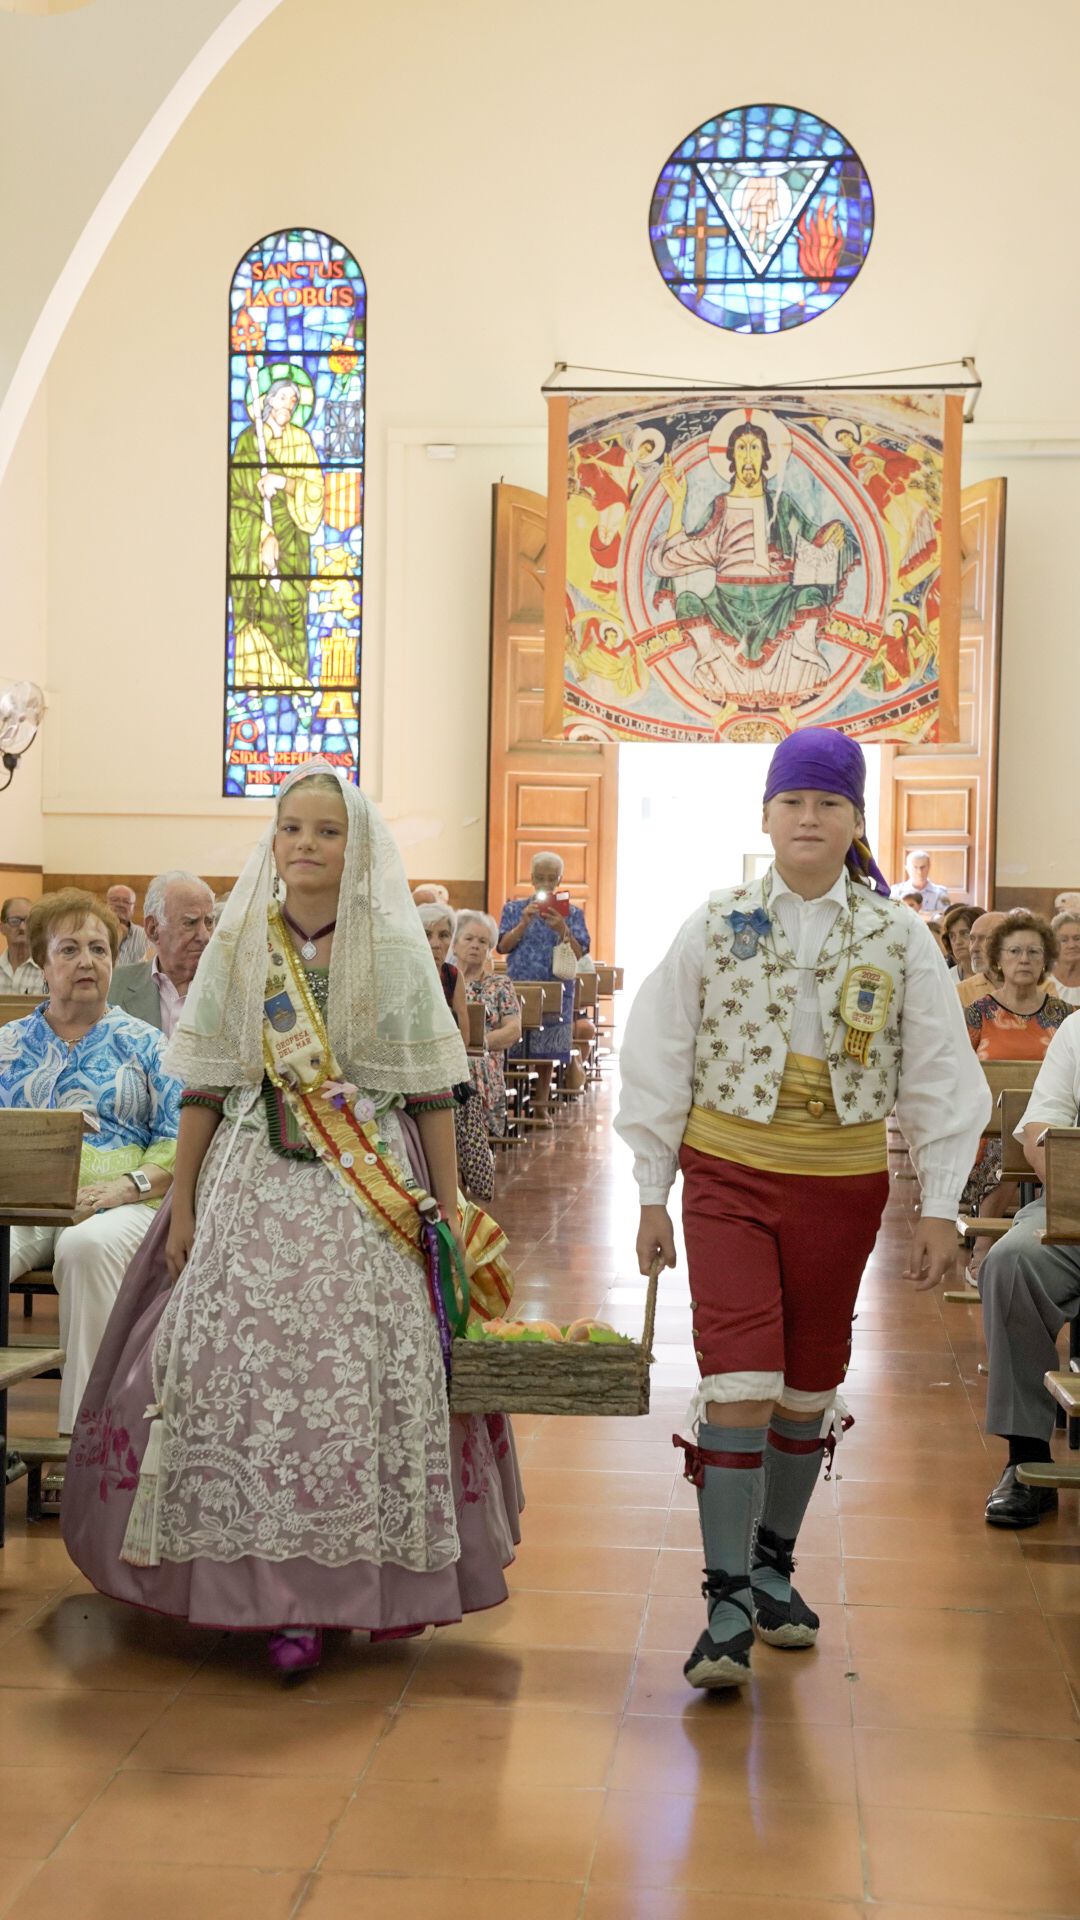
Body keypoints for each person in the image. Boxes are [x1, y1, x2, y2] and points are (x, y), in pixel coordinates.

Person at [61, 766, 522, 1675]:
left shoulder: (391, 951)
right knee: (225, 1360)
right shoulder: (243, 947)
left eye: (327, 831)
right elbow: (206, 1084)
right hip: (249, 1182)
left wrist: (451, 1212)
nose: (306, 846)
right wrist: (183, 1198)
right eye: (292, 829)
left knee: (362, 1370)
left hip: (371, 1190)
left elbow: (429, 1087)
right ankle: (253, 1584)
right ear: (272, 842)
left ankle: (344, 1586)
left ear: (358, 849)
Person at [616, 728, 989, 1694]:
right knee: (739, 1370)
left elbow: (943, 1075)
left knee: (809, 1379)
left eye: (830, 804)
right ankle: (727, 1599)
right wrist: (653, 1191)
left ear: (857, 819)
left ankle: (776, 1562)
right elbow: (658, 1054)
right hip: (730, 1173)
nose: (810, 819)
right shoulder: (717, 923)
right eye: (794, 802)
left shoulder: (899, 938)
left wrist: (942, 1209)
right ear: (768, 816)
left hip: (842, 1182)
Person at [0, 889, 179, 1432]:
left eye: (99, 950)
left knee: (85, 1247)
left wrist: (126, 1186)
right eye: (70, 950)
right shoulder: (7, 1044)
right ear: (42, 964)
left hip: (120, 1201)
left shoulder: (148, 1045)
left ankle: (86, 1442)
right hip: (23, 1200)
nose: (87, 962)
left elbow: (178, 1140)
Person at [979, 1016, 1080, 1527]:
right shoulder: (1079, 1031)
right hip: (1073, 1210)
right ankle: (1027, 1459)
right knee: (1013, 1261)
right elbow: (1041, 1129)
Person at [961, 913, 1070, 1230]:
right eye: (1015, 951)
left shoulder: (1062, 1014)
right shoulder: (980, 1012)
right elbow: (961, 1078)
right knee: (1006, 1140)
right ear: (998, 959)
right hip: (988, 1127)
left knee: (1057, 1140)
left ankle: (1061, 1228)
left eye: (1034, 952)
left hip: (1049, 1121)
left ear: (1045, 959)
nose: (1024, 959)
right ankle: (982, 1245)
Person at [498, 853, 591, 1122]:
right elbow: (503, 946)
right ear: (531, 878)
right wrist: (524, 923)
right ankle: (512, 1102)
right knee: (513, 1042)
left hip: (555, 984)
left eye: (552, 878)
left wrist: (563, 928)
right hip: (520, 982)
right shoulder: (514, 910)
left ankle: (540, 1103)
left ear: (560, 880)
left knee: (546, 1048)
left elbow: (578, 953)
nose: (546, 883)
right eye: (540, 877)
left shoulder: (572, 914)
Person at [108, 871, 215, 1037]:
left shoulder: (231, 990)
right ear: (152, 929)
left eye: (208, 922)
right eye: (190, 922)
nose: (205, 936)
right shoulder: (113, 986)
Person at [453, 910, 522, 1136]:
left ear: (489, 949)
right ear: (454, 945)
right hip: (447, 1056)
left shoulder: (500, 984)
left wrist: (478, 1043)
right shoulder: (441, 981)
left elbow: (513, 1030)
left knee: (470, 1065)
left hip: (483, 1059)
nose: (475, 945)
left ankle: (471, 1138)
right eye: (469, 939)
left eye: (483, 941)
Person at [418, 902, 470, 1047]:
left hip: (445, 1050)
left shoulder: (453, 975)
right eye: (427, 935)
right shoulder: (405, 973)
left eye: (443, 935)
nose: (435, 944)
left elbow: (463, 1031)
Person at [957, 910, 1006, 1008]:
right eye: (972, 939)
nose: (973, 948)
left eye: (984, 939)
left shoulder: (1042, 989)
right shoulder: (961, 992)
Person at [0, 895, 46, 994]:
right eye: (14, 921)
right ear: (2, 928)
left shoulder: (47, 970)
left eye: (28, 921)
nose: (22, 927)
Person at [891, 849, 950, 914]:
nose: (919, 872)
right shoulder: (895, 891)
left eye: (923, 867)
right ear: (907, 868)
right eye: (915, 867)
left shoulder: (940, 893)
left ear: (929, 867)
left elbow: (945, 916)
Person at [106, 885, 150, 966]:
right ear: (106, 903)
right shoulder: (94, 932)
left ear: (133, 908)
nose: (120, 904)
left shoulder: (145, 936)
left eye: (126, 901)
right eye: (114, 900)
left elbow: (148, 966)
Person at [941, 902, 984, 980]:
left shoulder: (1001, 977)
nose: (958, 942)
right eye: (952, 936)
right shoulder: (946, 978)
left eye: (965, 933)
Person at [1046, 909, 1080, 1007]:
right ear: (1053, 944)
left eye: (1077, 938)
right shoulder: (1042, 980)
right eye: (1064, 940)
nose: (1072, 945)